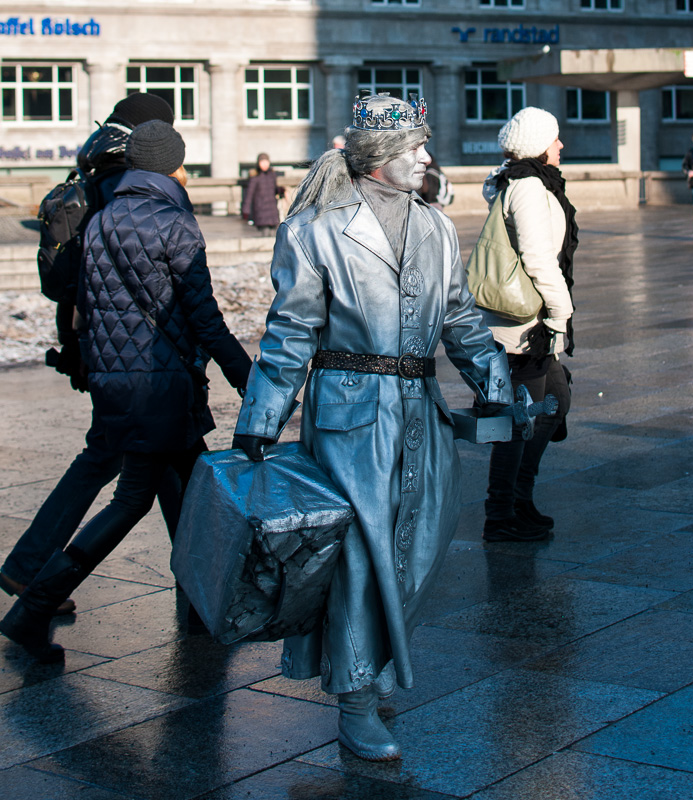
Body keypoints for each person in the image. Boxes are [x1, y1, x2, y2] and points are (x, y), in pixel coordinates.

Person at [232, 93, 512, 762]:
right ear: (376, 158)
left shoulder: (437, 227)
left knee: (418, 550)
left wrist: (496, 387)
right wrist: (261, 418)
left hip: (422, 410)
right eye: (414, 146)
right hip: (350, 414)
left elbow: (460, 318)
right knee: (361, 558)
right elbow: (291, 330)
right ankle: (357, 699)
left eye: (424, 144)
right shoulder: (315, 230)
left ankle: (370, 662)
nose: (426, 156)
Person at [0, 120, 252, 664]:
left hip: (117, 384)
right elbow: (204, 319)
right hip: (161, 389)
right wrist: (248, 378)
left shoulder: (101, 219)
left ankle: (201, 611)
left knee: (189, 496)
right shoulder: (175, 223)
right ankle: (32, 610)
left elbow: (91, 309)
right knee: (133, 501)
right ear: (173, 165)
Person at [0, 93, 178, 614]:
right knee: (115, 456)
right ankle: (32, 574)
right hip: (134, 352)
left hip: (98, 343)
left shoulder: (92, 164)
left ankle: (199, 584)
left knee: (153, 461)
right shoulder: (124, 176)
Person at [480, 107, 577, 543]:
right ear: (539, 144)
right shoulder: (529, 187)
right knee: (520, 421)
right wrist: (561, 311)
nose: (561, 145)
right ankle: (501, 515)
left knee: (555, 399)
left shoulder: (523, 181)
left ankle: (519, 498)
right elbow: (538, 258)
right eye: (555, 139)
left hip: (531, 326)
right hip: (522, 328)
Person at [242, 153, 283, 236]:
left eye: (266, 162)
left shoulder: (272, 175)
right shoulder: (255, 176)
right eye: (262, 162)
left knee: (275, 236)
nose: (264, 164)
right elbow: (249, 195)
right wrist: (246, 211)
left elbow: (275, 190)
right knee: (265, 234)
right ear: (258, 163)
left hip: (272, 211)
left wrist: (281, 191)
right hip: (261, 211)